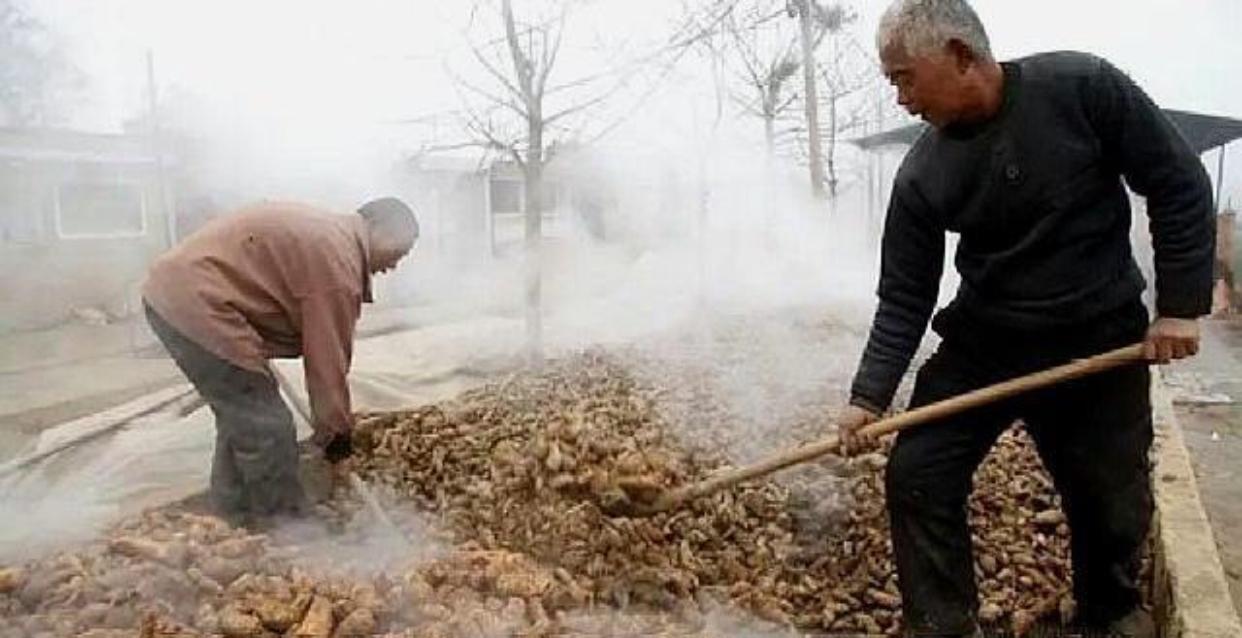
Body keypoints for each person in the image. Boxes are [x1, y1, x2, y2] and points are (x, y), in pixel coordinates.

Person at [837, 1, 1214, 636]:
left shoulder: (1082, 88)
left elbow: (1177, 180)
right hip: (988, 343)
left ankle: (1108, 613)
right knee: (918, 471)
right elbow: (905, 296)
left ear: (960, 55)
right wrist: (867, 397)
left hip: (1097, 332)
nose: (900, 99)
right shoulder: (922, 174)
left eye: (904, 77)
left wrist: (1179, 308)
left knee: (1110, 502)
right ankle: (942, 624)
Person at [143, 198, 418, 524]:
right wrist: (337, 439)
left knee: (246, 418)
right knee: (268, 428)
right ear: (379, 229)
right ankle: (291, 532)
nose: (394, 266)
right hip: (200, 306)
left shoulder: (330, 238)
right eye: (400, 252)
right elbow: (327, 366)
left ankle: (232, 515)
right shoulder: (337, 264)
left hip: (181, 296)